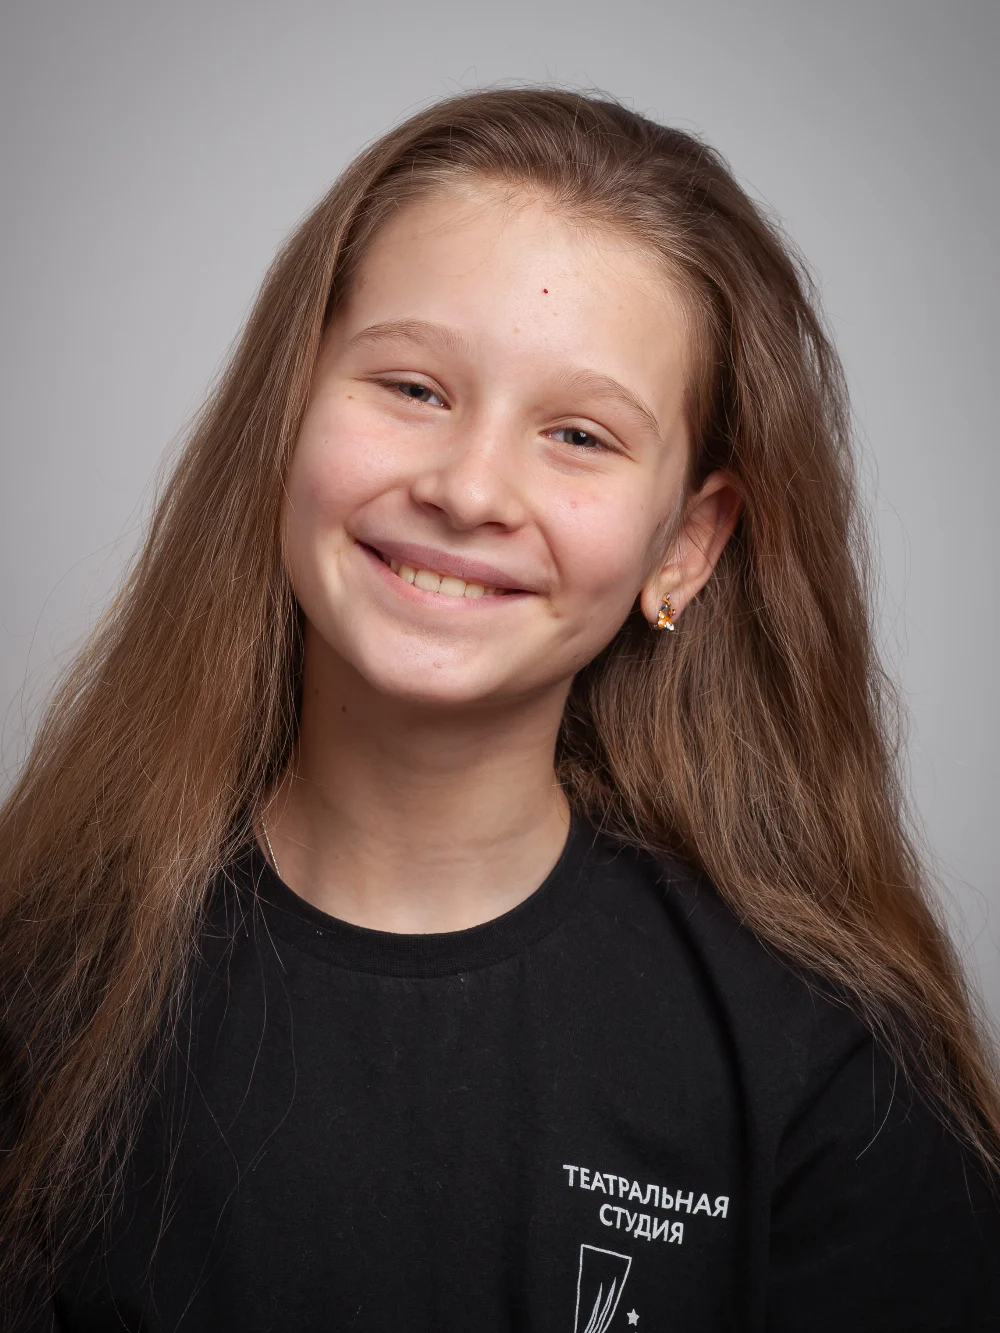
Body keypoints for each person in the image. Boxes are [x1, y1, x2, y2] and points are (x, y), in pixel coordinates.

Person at [1, 84, 998, 1333]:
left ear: (685, 546)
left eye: (578, 435)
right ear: (284, 415)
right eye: (413, 388)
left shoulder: (831, 1063)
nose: (469, 489)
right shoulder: (37, 985)